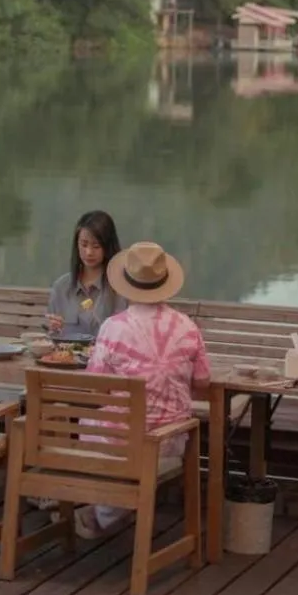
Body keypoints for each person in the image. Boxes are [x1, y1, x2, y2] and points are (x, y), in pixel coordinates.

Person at [75, 238, 210, 540]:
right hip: (170, 440)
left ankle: (104, 512)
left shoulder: (113, 328)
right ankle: (105, 513)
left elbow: (95, 387)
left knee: (89, 423)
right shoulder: (188, 327)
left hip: (119, 442)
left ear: (126, 284)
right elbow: (202, 383)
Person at [46, 210, 124, 339]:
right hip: (66, 356)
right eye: (84, 244)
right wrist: (52, 328)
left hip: (105, 357)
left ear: (108, 246)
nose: (89, 252)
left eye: (96, 246)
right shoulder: (61, 287)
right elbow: (51, 335)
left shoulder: (120, 288)